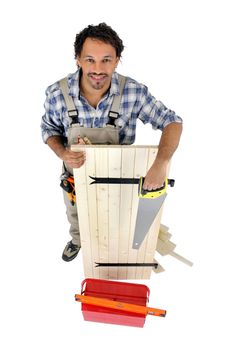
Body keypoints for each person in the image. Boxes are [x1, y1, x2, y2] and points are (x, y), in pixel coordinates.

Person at [41, 23, 183, 262]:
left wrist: (161, 163)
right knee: (76, 215)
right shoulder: (57, 94)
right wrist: (62, 152)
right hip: (77, 177)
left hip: (119, 175)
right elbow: (49, 130)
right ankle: (77, 241)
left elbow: (173, 122)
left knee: (118, 222)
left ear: (117, 60)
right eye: (89, 60)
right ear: (77, 59)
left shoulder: (133, 92)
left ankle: (116, 252)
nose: (98, 69)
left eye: (106, 60)